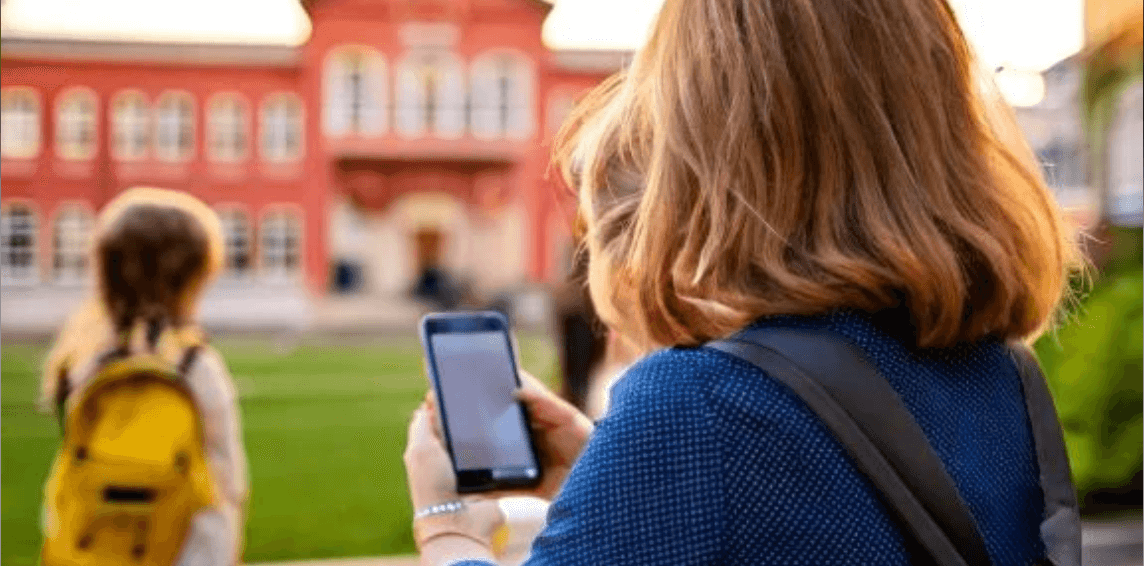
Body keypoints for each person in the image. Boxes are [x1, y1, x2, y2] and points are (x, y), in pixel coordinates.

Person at [402, 0, 1082, 562]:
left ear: (712, 146)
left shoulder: (696, 408)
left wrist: (446, 525)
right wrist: (608, 475)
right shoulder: (1004, 379)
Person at [41, 187, 249, 565]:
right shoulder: (195, 367)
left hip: (96, 548)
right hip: (188, 548)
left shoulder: (83, 363)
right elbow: (229, 483)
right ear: (194, 277)